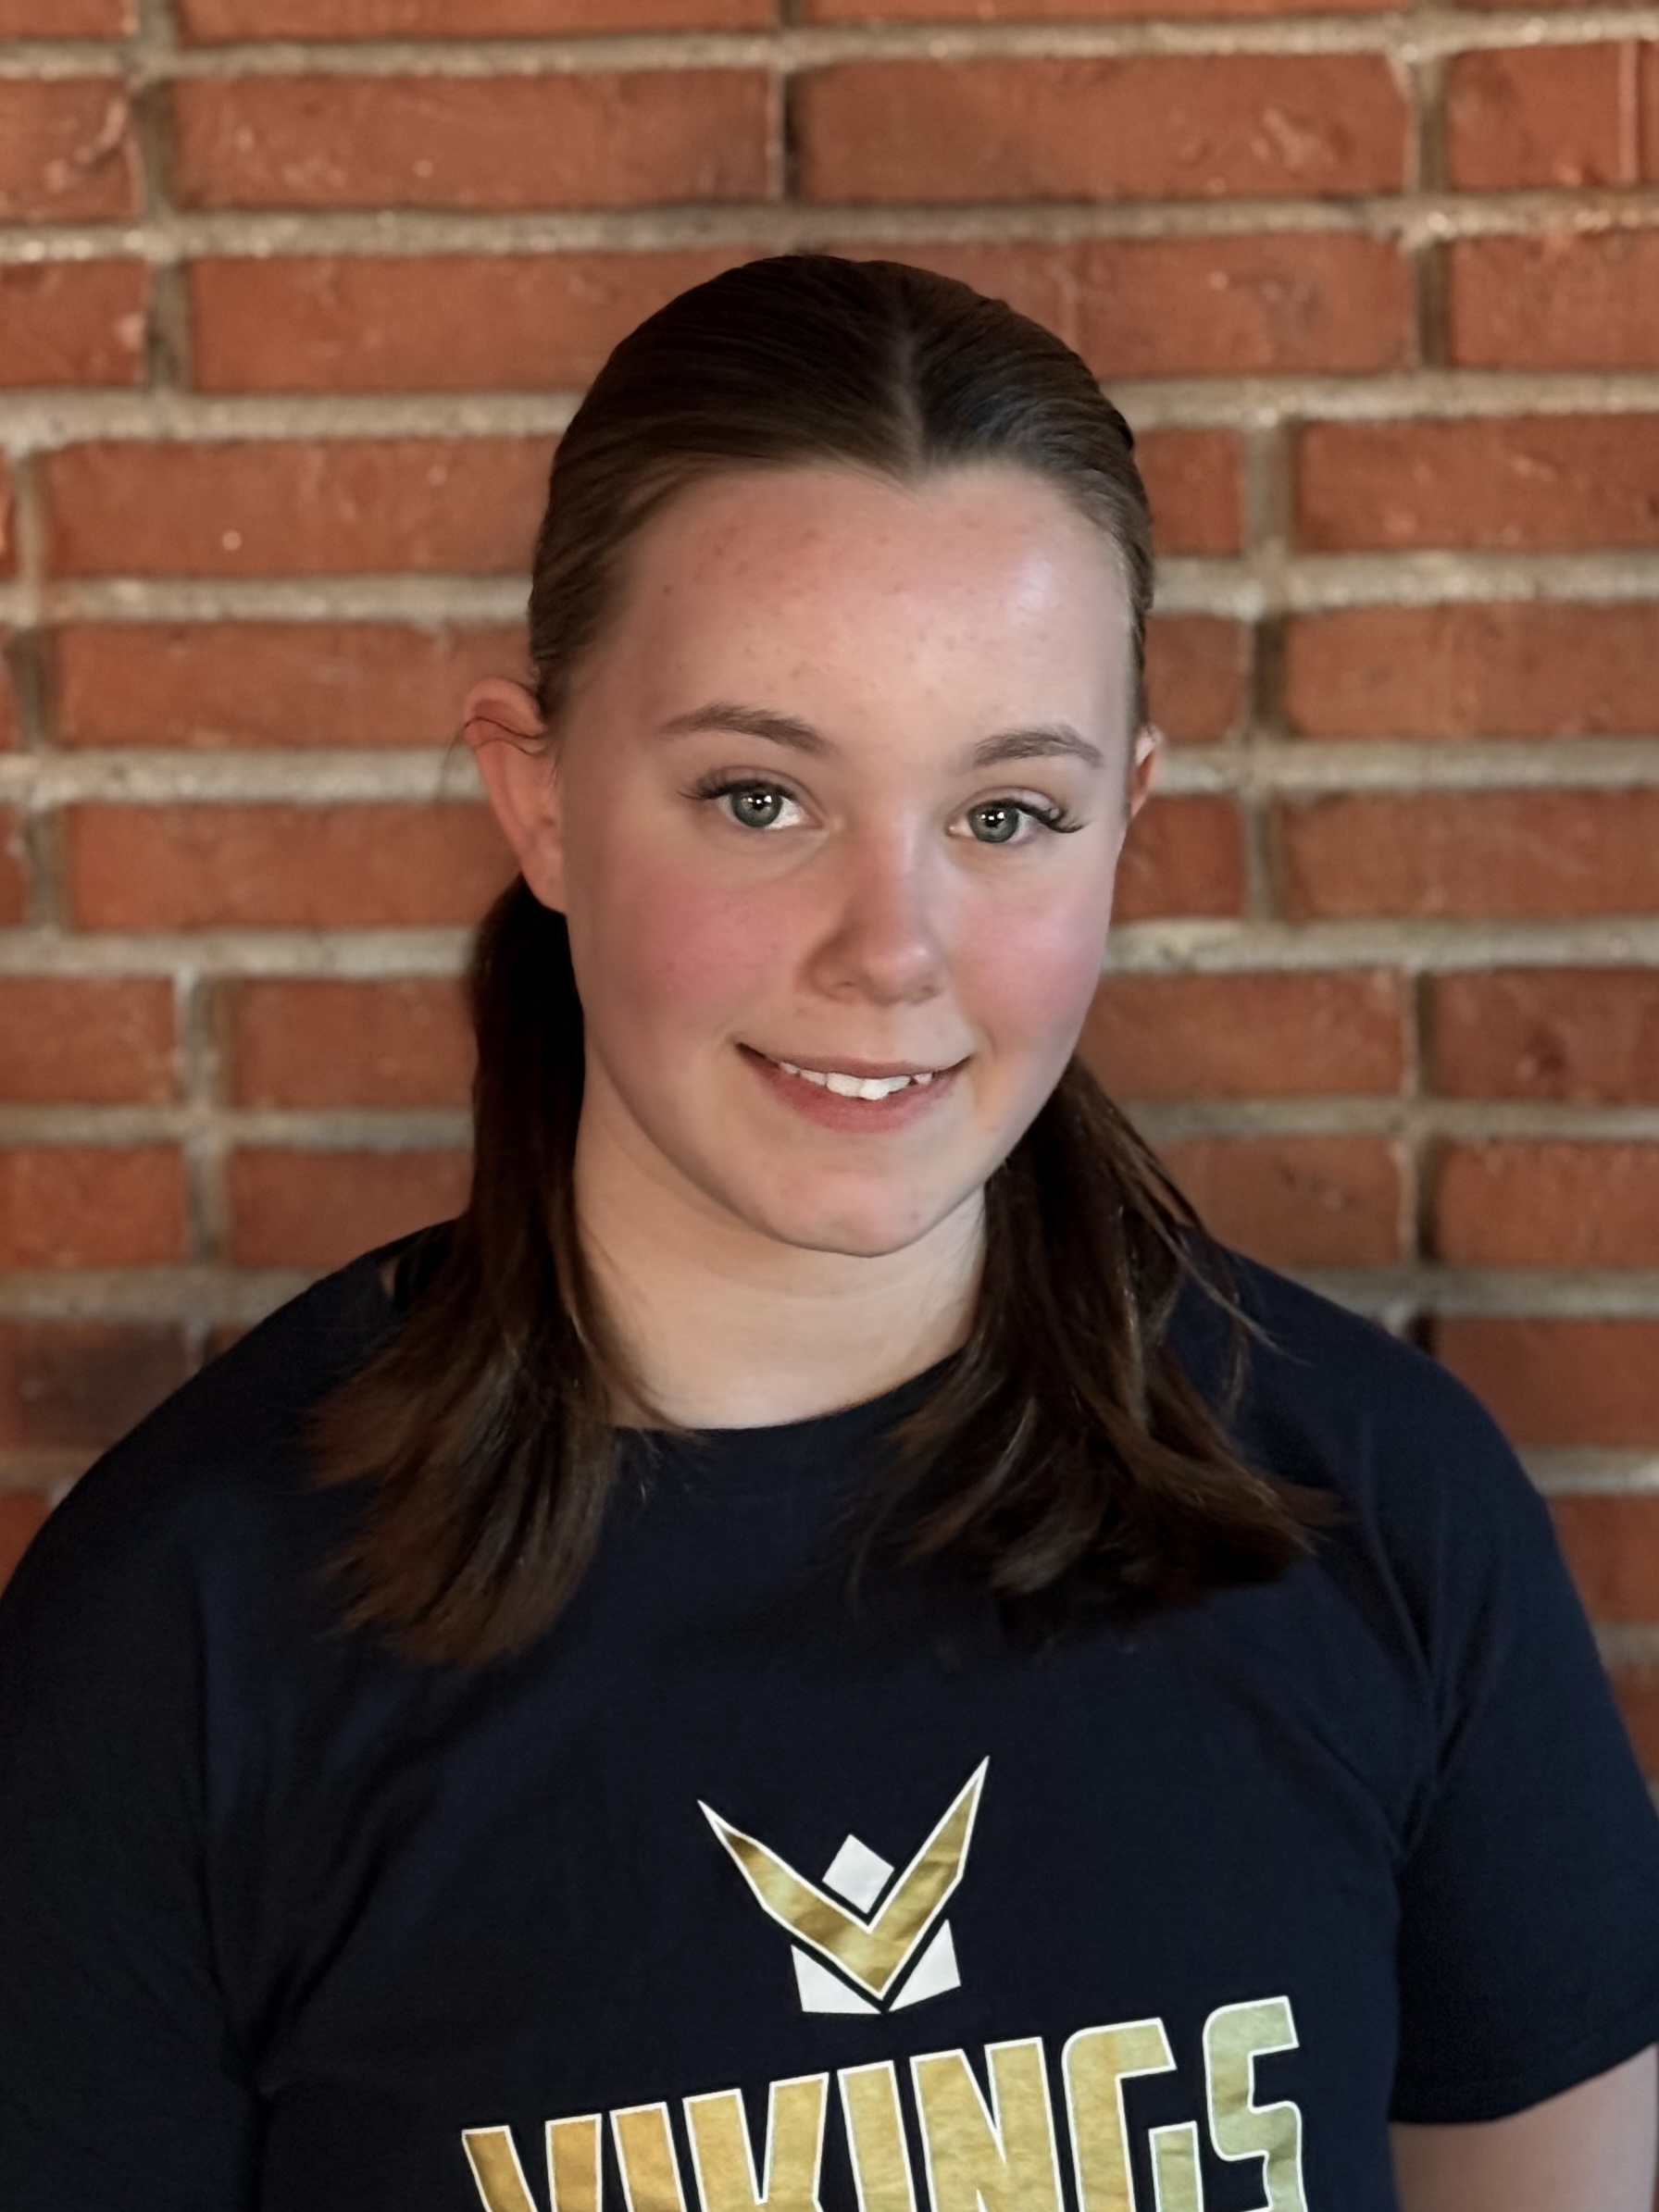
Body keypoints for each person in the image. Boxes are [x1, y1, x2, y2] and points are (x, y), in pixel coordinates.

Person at [0, 254, 1655, 2212]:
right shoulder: (181, 1630)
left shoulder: (1381, 1506)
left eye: (1006, 814)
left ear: (1125, 816)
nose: (891, 951)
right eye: (759, 797)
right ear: (540, 798)